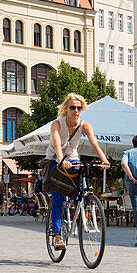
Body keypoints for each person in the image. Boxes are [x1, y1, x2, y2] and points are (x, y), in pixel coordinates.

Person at [45, 93, 109, 251]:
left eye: (79, 108)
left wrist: (104, 160)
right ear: (66, 108)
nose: (76, 110)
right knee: (58, 198)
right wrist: (61, 160)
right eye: (72, 107)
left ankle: (81, 204)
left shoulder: (85, 125)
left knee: (80, 187)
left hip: (73, 159)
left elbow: (94, 143)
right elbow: (57, 143)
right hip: (54, 159)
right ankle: (58, 235)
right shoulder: (57, 124)